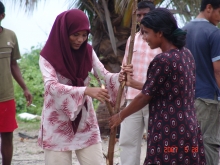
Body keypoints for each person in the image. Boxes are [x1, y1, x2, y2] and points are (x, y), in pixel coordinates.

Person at [110, 8, 206, 165]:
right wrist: (133, 83)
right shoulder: (186, 54)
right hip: (189, 128)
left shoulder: (163, 60)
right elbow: (164, 89)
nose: (144, 38)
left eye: (146, 32)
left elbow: (145, 96)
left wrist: (120, 116)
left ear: (160, 33)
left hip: (169, 130)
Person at [38, 9, 122, 165]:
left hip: (84, 120)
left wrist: (120, 77)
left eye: (84, 35)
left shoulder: (88, 52)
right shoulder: (48, 56)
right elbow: (51, 87)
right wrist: (86, 90)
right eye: (75, 35)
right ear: (64, 32)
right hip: (56, 122)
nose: (80, 40)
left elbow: (103, 75)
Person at [119, 1, 161, 165]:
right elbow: (124, 68)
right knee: (128, 141)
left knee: (156, 142)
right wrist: (123, 74)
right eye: (139, 15)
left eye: (146, 15)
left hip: (154, 99)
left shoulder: (160, 39)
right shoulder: (132, 39)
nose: (142, 18)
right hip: (133, 98)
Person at [182, 0, 220, 164]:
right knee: (208, 143)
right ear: (209, 8)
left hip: (184, 99)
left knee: (188, 144)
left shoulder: (182, 31)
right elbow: (218, 70)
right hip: (207, 99)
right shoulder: (214, 33)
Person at [0, 1, 32, 165]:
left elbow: (13, 65)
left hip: (5, 96)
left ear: (2, 16)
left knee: (7, 136)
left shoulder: (10, 36)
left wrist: (25, 88)